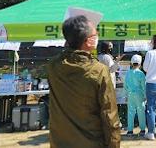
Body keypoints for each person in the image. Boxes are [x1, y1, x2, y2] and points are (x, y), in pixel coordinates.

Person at [48, 15, 121, 148]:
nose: (97, 35)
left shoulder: (53, 66)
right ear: (88, 42)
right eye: (95, 33)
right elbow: (110, 118)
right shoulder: (99, 71)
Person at [125, 54, 146, 136]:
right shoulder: (141, 74)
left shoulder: (128, 73)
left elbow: (125, 86)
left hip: (130, 94)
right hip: (139, 94)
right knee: (141, 112)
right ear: (140, 64)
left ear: (131, 63)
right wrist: (145, 96)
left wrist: (126, 94)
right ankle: (143, 130)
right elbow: (144, 86)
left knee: (130, 112)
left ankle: (130, 130)